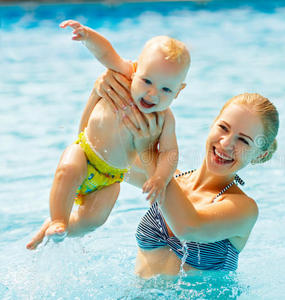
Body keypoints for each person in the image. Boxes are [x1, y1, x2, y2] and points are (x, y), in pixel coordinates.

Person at [94, 71, 279, 276]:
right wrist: (100, 93)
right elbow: (97, 154)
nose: (226, 144)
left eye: (244, 141)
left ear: (259, 155)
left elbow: (188, 227)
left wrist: (148, 151)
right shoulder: (170, 180)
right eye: (223, 128)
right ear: (212, 124)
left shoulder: (243, 209)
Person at [26, 20, 190, 249]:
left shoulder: (165, 119)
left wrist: (160, 178)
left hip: (111, 177)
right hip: (84, 154)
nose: (153, 94)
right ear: (135, 69)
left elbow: (170, 152)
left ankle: (60, 229)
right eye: (147, 81)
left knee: (93, 220)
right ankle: (58, 219)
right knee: (68, 170)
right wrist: (87, 37)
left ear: (179, 91)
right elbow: (106, 51)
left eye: (166, 89)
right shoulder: (123, 77)